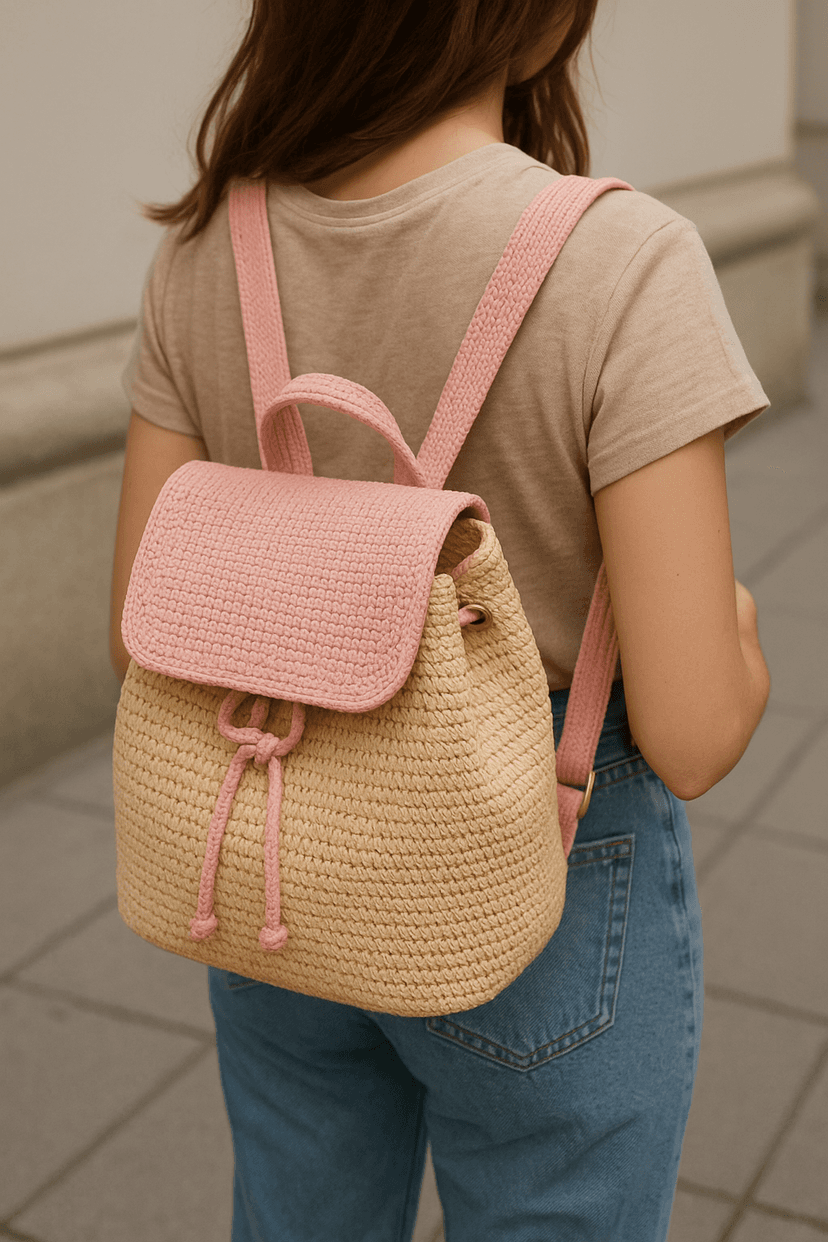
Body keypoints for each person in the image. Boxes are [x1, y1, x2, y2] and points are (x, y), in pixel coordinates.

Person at [109, 0, 772, 1237]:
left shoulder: (207, 248)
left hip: (270, 862)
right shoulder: (620, 262)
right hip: (543, 868)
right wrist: (730, 620)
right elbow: (691, 732)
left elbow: (135, 628)